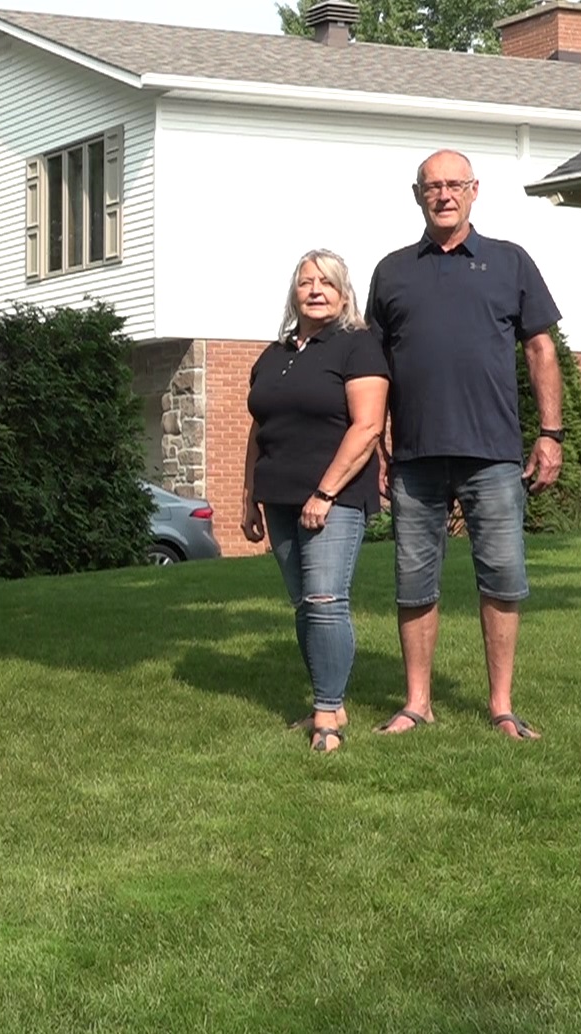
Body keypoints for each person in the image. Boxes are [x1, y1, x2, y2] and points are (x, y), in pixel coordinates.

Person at [365, 149, 564, 741]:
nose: (444, 195)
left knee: (502, 578)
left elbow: (540, 350)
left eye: (455, 185)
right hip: (415, 457)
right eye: (433, 187)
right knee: (413, 580)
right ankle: (417, 702)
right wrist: (376, 442)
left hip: (494, 455)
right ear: (417, 195)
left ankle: (501, 704)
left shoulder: (510, 262)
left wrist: (550, 435)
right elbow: (373, 369)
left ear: (475, 190)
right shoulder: (392, 271)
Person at [241, 251, 390, 753]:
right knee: (304, 604)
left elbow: (367, 426)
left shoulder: (358, 347)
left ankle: (327, 714)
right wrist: (248, 497)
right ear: (294, 293)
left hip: (336, 494)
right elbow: (258, 429)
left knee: (325, 601)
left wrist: (325, 493)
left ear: (344, 294)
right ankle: (330, 700)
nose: (315, 290)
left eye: (326, 283)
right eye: (306, 283)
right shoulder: (273, 355)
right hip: (278, 494)